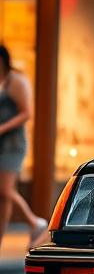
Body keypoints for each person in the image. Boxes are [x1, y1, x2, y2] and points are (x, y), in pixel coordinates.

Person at [0, 45, 47, 251]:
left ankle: (35, 223)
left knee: (4, 190)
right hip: (2, 143)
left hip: (13, 144)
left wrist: (2, 128)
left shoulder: (16, 81)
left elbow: (27, 112)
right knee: (4, 195)